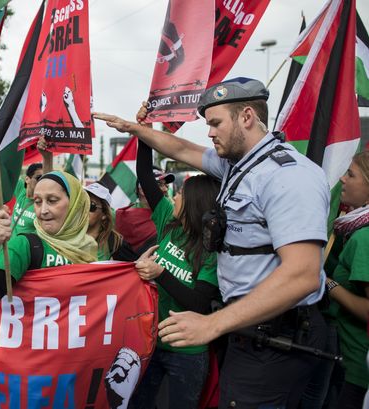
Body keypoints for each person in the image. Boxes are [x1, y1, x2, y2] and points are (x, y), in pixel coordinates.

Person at [94, 77, 330, 408]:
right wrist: (135, 129)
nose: (209, 133)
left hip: (277, 337)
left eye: (216, 123)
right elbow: (180, 148)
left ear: (247, 116)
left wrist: (212, 324)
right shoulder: (238, 165)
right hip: (249, 332)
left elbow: (303, 274)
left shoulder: (287, 176)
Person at [128, 140, 220, 409]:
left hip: (187, 352)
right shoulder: (167, 220)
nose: (174, 196)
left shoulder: (211, 250)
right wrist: (142, 131)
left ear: (193, 203)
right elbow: (145, 175)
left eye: (180, 193)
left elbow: (198, 304)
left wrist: (160, 273)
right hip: (151, 343)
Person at [0, 171, 97, 314]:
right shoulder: (24, 245)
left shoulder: (90, 246)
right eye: (37, 202)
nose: (43, 211)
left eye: (52, 200)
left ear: (75, 203)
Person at [323, 151, 369, 408]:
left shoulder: (364, 238)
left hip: (358, 371)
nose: (342, 178)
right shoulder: (357, 232)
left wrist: (327, 283)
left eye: (351, 174)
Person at [115, 168, 175, 255]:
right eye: (159, 184)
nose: (165, 189)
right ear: (142, 190)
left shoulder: (171, 214)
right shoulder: (120, 216)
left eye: (166, 185)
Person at [84, 182, 136, 261]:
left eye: (91, 205)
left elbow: (134, 268)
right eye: (82, 203)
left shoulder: (115, 244)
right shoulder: (67, 235)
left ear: (104, 214)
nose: (84, 209)